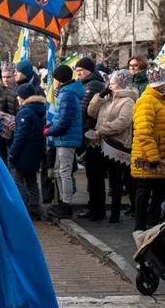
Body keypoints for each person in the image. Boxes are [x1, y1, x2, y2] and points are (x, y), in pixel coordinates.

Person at [130, 63, 165, 234]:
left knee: (158, 191)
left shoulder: (161, 100)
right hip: (149, 156)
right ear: (159, 84)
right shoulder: (147, 101)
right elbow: (143, 131)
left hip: (162, 154)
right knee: (144, 190)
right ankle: (140, 227)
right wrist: (153, 156)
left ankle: (152, 224)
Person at [87, 69, 137, 223]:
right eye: (109, 82)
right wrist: (99, 96)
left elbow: (123, 122)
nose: (110, 85)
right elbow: (91, 112)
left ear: (121, 85)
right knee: (96, 176)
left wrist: (101, 130)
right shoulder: (107, 99)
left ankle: (115, 212)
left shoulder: (128, 101)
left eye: (113, 83)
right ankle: (98, 210)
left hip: (117, 145)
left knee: (115, 179)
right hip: (101, 143)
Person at [45, 64, 85, 218]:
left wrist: (50, 131)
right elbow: (60, 117)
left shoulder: (67, 94)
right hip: (61, 138)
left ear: (59, 80)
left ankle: (66, 205)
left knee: (64, 172)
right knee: (58, 172)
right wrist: (51, 126)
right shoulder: (65, 93)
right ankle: (62, 201)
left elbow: (65, 121)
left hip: (66, 139)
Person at [74, 56, 106, 220]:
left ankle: (97, 209)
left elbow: (83, 109)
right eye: (77, 70)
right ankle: (94, 207)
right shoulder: (87, 84)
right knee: (92, 174)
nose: (79, 73)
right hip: (90, 133)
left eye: (81, 70)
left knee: (95, 174)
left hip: (93, 134)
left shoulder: (93, 85)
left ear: (90, 70)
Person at [9, 82, 45, 218]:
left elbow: (21, 136)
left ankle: (21, 210)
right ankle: (35, 209)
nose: (17, 98)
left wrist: (12, 153)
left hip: (22, 154)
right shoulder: (39, 109)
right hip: (34, 153)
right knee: (32, 181)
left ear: (23, 97)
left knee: (18, 182)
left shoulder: (25, 111)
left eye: (18, 96)